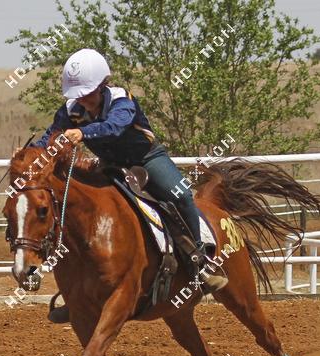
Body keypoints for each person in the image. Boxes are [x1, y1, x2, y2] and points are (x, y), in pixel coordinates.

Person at [32, 49, 227, 321]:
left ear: (102, 85)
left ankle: (200, 264)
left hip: (146, 160)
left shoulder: (122, 101)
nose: (83, 99)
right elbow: (49, 136)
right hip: (109, 165)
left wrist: (82, 133)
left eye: (88, 93)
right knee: (76, 206)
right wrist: (32, 152)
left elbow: (114, 127)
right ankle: (77, 292)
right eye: (79, 94)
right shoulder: (70, 110)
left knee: (181, 195)